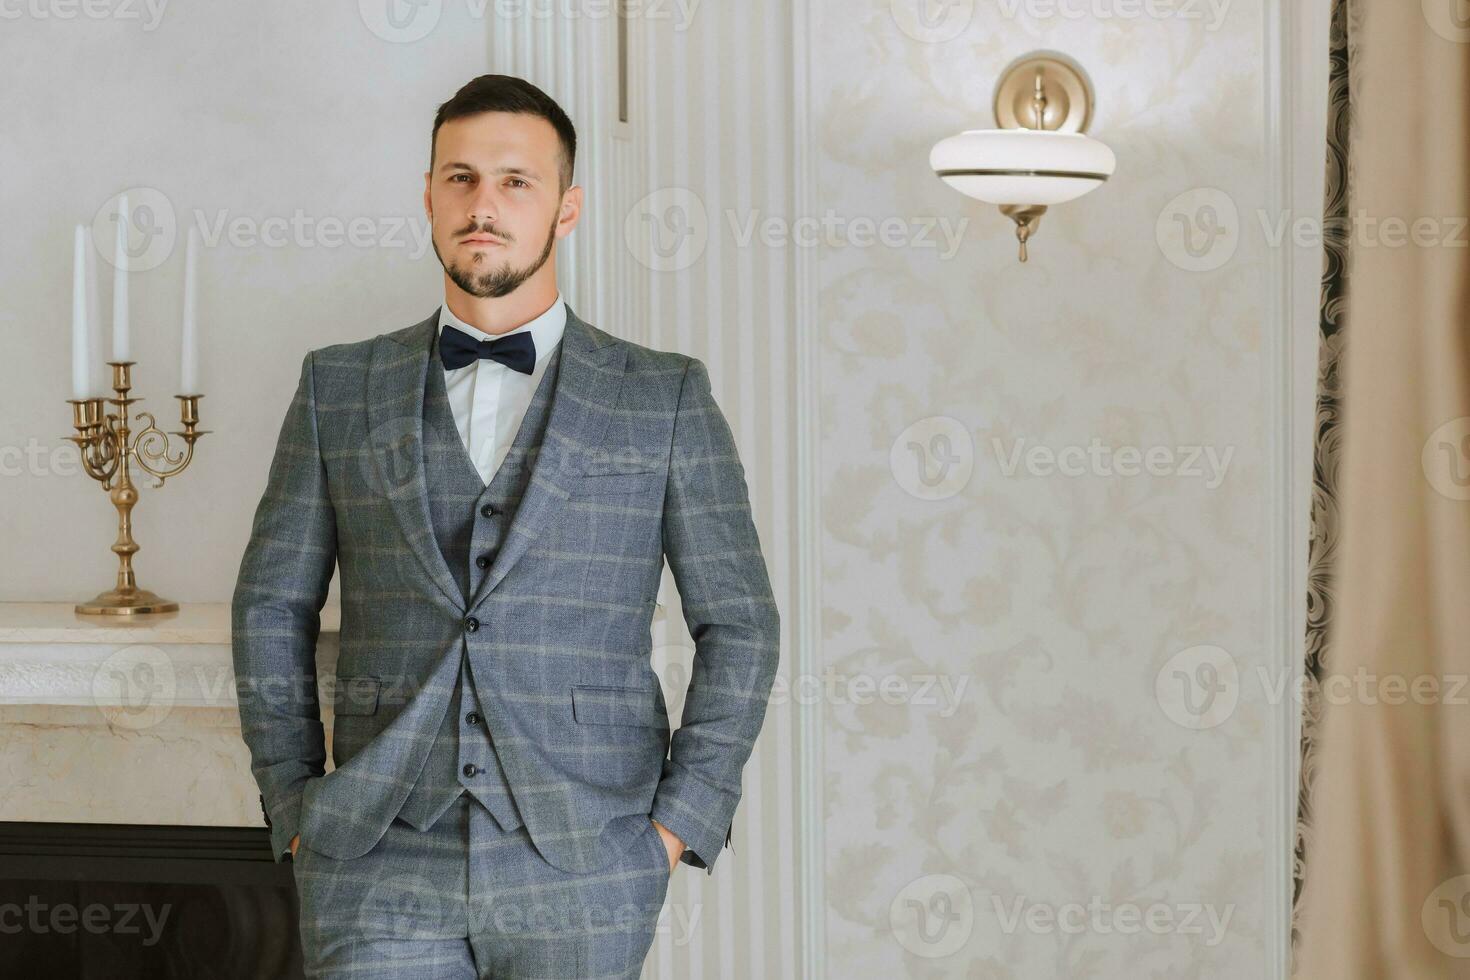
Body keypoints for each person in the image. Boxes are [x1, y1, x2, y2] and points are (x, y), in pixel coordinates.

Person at [231, 73, 780, 978]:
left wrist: (677, 827)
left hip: (588, 862)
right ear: (428, 197)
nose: (483, 205)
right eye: (460, 178)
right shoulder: (339, 386)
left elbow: (742, 623)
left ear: (565, 209)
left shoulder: (664, 396)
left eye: (515, 182)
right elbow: (269, 607)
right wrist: (293, 805)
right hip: (374, 859)